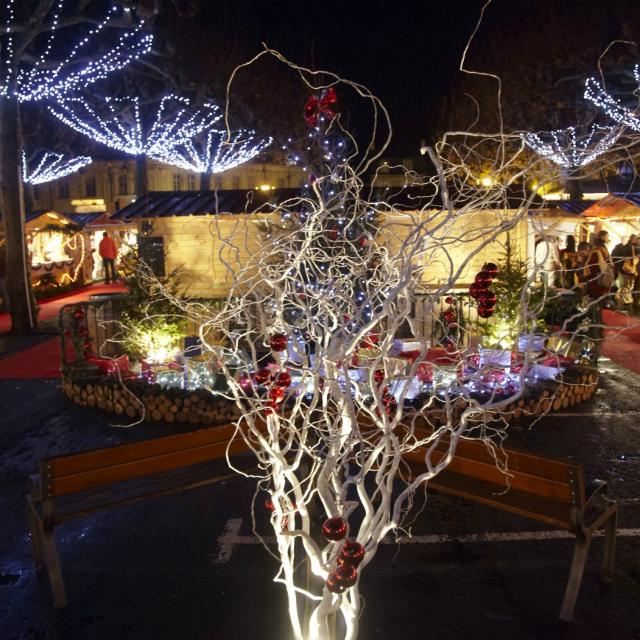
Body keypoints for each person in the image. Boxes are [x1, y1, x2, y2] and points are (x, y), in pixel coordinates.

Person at [584, 230, 614, 356]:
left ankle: (594, 330)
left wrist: (584, 280)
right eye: (607, 236)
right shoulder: (604, 250)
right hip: (602, 284)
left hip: (595, 284)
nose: (608, 238)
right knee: (598, 308)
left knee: (594, 308)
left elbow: (590, 268)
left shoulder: (596, 252)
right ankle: (597, 329)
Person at [618, 234, 638, 309]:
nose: (637, 240)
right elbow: (633, 260)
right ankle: (627, 301)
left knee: (624, 285)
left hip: (623, 269)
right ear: (632, 239)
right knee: (627, 285)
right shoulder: (631, 247)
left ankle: (620, 298)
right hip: (627, 269)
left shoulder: (625, 246)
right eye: (635, 239)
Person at [0, 238, 9, 313]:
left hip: (2, 274)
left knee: (4, 291)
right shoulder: (3, 251)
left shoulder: (2, 252)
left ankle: (7, 307)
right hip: (3, 274)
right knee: (4, 291)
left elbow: (2, 264)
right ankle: (6, 306)